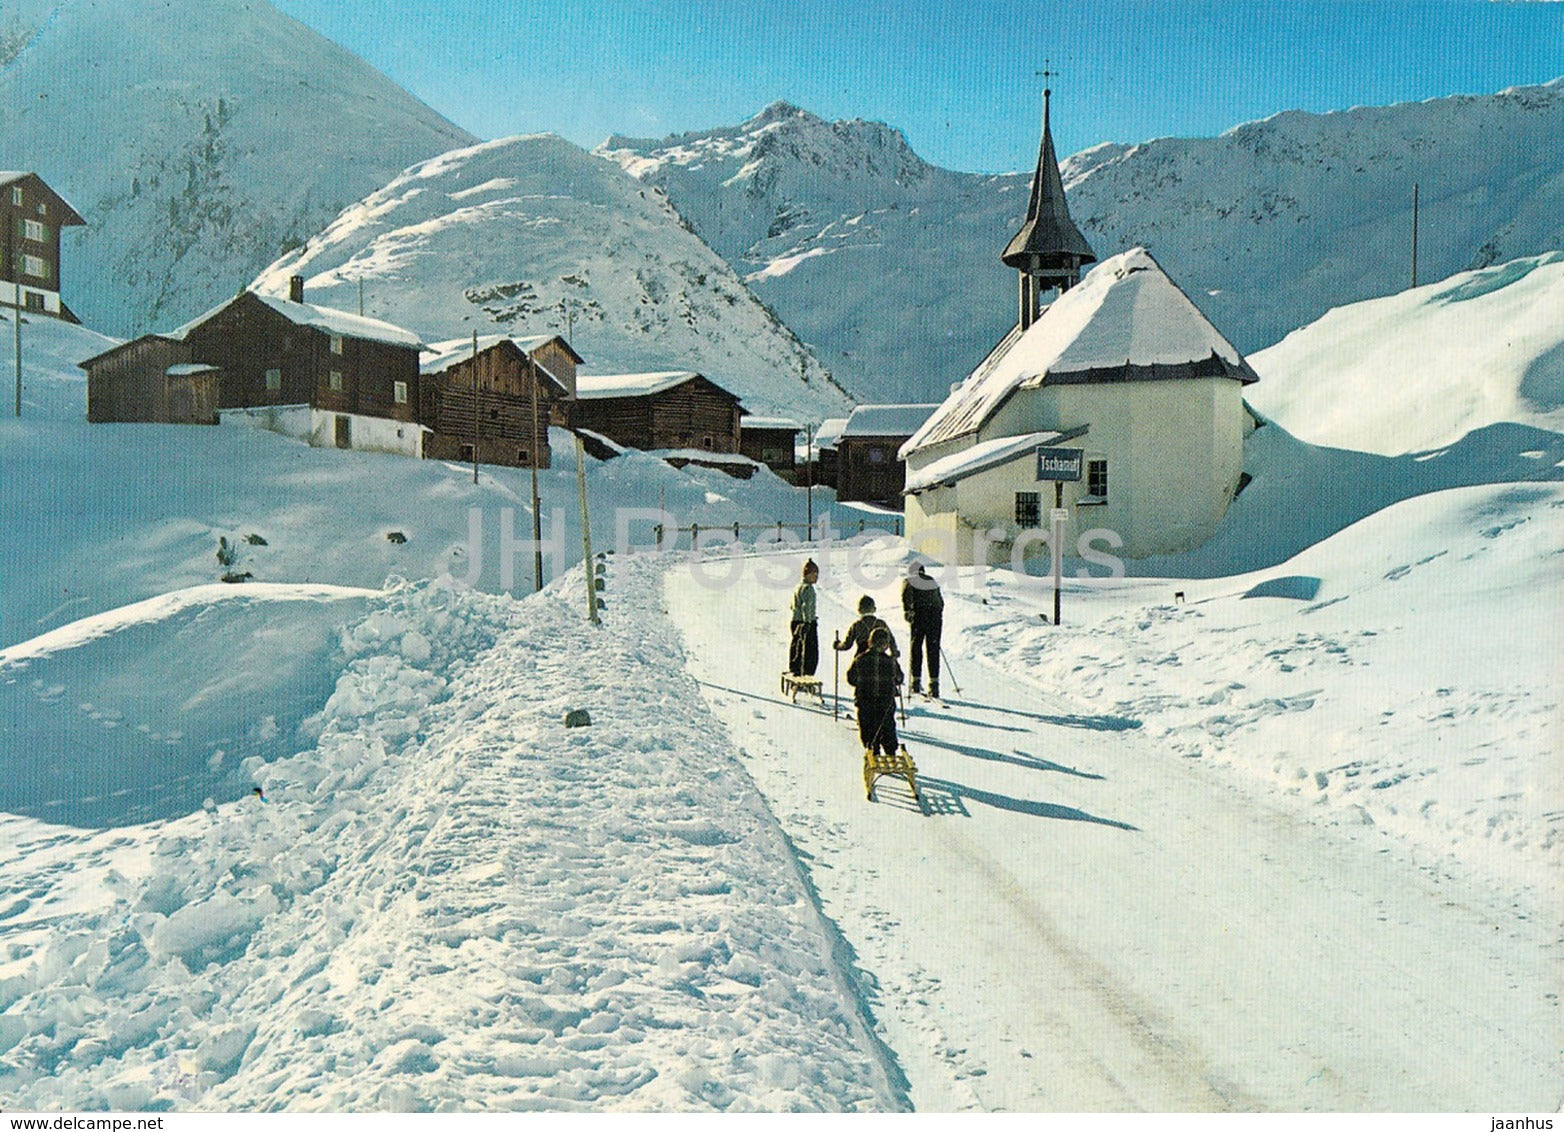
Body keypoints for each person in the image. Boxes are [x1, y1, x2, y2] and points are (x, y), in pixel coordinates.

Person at [846, 626, 903, 758]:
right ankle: (890, 751)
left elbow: (851, 677)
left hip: (865, 700)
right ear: (886, 645)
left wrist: (861, 683)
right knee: (887, 726)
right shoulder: (891, 662)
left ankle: (872, 749)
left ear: (869, 642)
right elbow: (899, 678)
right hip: (886, 702)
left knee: (867, 727)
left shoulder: (860, 659)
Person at [901, 561, 945, 698]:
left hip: (919, 615)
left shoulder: (909, 580)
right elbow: (941, 602)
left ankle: (915, 681)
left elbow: (905, 597)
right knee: (933, 648)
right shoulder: (932, 580)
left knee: (916, 646)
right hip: (935, 616)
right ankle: (934, 684)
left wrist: (908, 613)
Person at [834, 594, 900, 659]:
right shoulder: (881, 623)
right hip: (880, 658)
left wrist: (837, 645)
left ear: (859, 610)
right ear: (874, 609)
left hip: (861, 659)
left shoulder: (856, 625)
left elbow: (847, 645)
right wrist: (894, 653)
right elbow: (891, 640)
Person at [788, 558, 820, 677]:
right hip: (806, 623)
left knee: (797, 647)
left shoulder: (799, 587)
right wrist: (808, 622)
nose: (816, 577)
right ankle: (806, 673)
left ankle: (795, 669)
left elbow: (793, 605)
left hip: (795, 621)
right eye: (815, 574)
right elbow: (806, 607)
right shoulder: (808, 589)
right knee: (810, 651)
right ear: (808, 574)